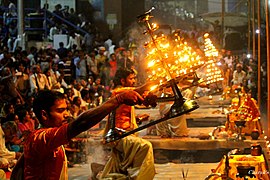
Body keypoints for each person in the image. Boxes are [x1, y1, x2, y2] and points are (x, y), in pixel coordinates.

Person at [18, 89, 143, 179]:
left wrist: (142, 92)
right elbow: (82, 123)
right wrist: (119, 99)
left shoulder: (49, 135)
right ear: (44, 114)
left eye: (66, 109)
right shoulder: (40, 137)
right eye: (60, 111)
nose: (66, 114)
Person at [101, 68, 155, 179]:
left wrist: (138, 119)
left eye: (134, 78)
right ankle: (139, 177)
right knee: (145, 146)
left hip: (126, 133)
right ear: (122, 81)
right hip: (119, 135)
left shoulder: (125, 92)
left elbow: (122, 115)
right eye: (131, 78)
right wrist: (152, 84)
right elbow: (138, 90)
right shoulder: (118, 92)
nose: (134, 81)